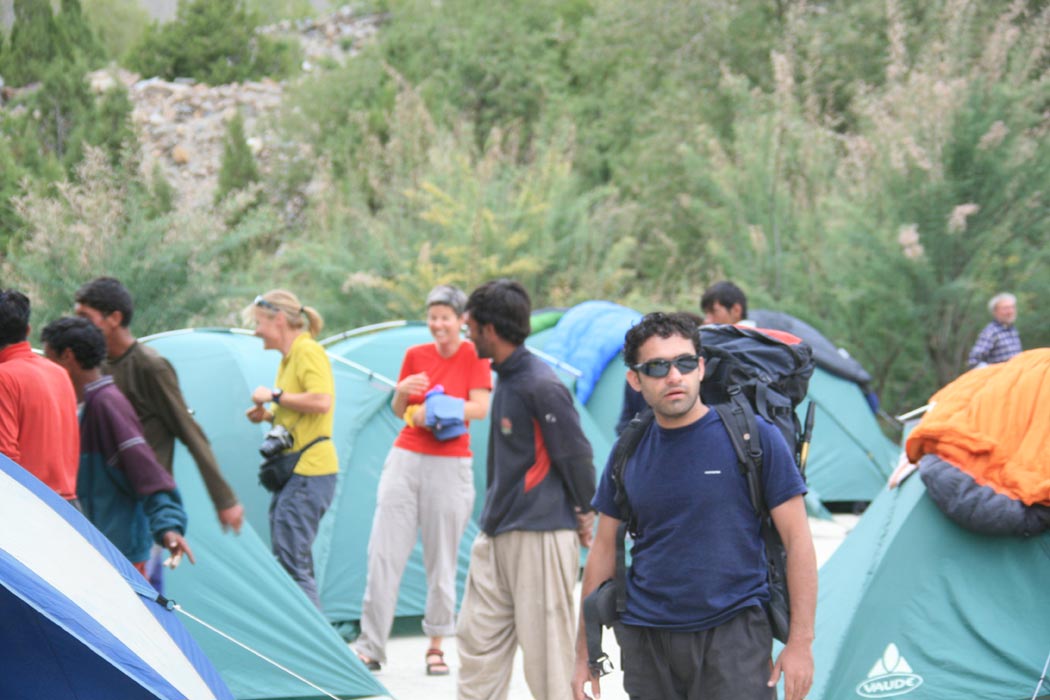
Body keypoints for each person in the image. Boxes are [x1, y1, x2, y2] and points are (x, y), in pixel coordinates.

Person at [572, 312, 817, 700]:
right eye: (657, 367)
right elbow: (602, 550)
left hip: (733, 638)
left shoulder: (754, 438)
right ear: (635, 379)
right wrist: (585, 653)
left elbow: (798, 541)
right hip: (647, 643)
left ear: (701, 368)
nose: (674, 376)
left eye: (684, 363)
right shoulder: (627, 451)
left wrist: (800, 643)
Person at [456, 279, 596, 700]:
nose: (467, 335)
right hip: (496, 531)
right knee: (476, 644)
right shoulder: (506, 379)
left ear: (490, 330)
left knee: (549, 659)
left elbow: (576, 455)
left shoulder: (541, 384)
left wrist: (585, 514)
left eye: (470, 327)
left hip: (540, 533)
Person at [353, 285, 492, 675]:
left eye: (445, 317)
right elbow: (400, 409)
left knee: (442, 559)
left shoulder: (475, 355)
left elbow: (480, 407)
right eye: (432, 317)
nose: (437, 324)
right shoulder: (415, 354)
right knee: (382, 554)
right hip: (406, 458)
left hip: (450, 464)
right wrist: (403, 394)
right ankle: (370, 647)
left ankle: (436, 646)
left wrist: (437, 410)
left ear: (461, 320)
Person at [74, 278, 244, 533]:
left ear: (115, 318)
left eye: (86, 318)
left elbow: (189, 432)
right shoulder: (95, 367)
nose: (79, 326)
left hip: (145, 504)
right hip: (106, 502)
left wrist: (225, 500)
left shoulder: (150, 366)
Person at [41, 317, 194, 574]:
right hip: (99, 550)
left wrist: (168, 525)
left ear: (67, 356)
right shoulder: (85, 405)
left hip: (118, 555)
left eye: (49, 358)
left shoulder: (107, 404)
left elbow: (145, 469)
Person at [245, 289, 338, 610]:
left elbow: (322, 401)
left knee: (293, 563)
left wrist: (274, 395)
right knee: (290, 559)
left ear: (279, 320)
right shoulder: (288, 358)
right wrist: (269, 415)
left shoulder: (307, 350)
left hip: (310, 471)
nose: (256, 331)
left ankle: (312, 638)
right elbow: (301, 413)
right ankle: (307, 632)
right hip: (297, 471)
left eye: (259, 322)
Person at [0, 289, 80, 505]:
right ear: (28, 329)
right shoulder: (59, 373)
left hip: (28, 507)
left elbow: (5, 461)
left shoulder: (3, 378)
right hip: (68, 507)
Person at [967, 292, 1022, 368]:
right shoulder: (991, 332)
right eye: (1005, 308)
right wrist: (994, 371)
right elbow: (973, 361)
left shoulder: (1012, 330)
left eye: (1012, 307)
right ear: (995, 312)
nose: (1010, 311)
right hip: (1001, 375)